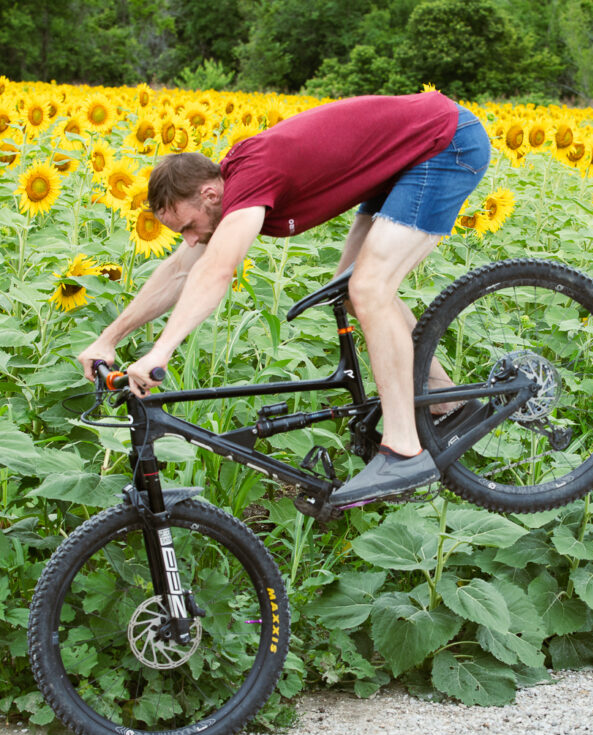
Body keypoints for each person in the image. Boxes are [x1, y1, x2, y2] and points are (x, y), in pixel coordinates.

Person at [78, 91, 491, 506]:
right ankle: (449, 403)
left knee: (369, 288)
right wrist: (108, 338)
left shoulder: (253, 177)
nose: (189, 239)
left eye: (187, 226)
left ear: (207, 193)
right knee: (352, 289)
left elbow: (218, 270)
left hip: (444, 141)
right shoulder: (229, 192)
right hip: (405, 155)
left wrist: (161, 351)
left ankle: (404, 450)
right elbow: (180, 269)